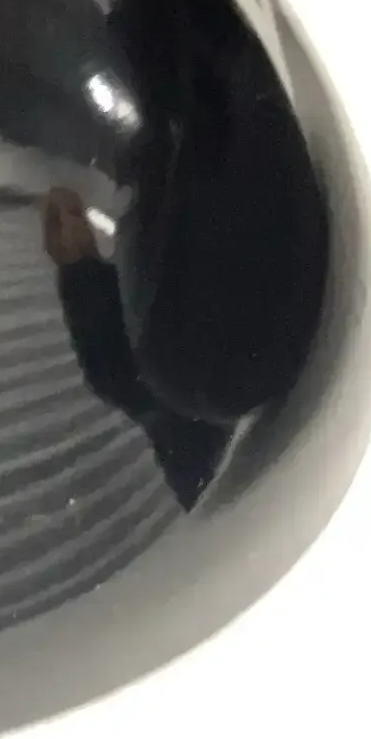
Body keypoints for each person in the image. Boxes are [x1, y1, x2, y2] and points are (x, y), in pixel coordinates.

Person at [43, 187, 232, 510]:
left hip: (196, 422)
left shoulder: (108, 275)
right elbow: (114, 378)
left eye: (75, 215)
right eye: (64, 222)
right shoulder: (88, 290)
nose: (74, 226)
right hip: (192, 427)